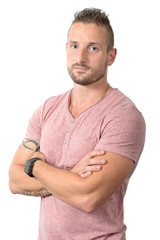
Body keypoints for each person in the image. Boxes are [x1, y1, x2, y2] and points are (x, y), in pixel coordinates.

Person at [9, 8, 146, 240]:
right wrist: (71, 176)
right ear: (66, 49)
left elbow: (88, 197)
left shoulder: (123, 116)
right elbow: (13, 180)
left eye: (92, 48)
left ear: (110, 56)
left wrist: (35, 166)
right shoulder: (47, 109)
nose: (80, 57)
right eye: (74, 46)